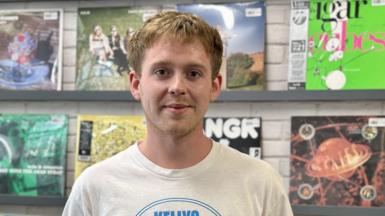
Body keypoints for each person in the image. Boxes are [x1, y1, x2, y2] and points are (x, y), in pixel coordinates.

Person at [63, 11, 293, 216]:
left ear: (214, 86)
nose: (177, 87)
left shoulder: (260, 183)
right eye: (162, 71)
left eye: (193, 73)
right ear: (136, 84)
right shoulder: (94, 187)